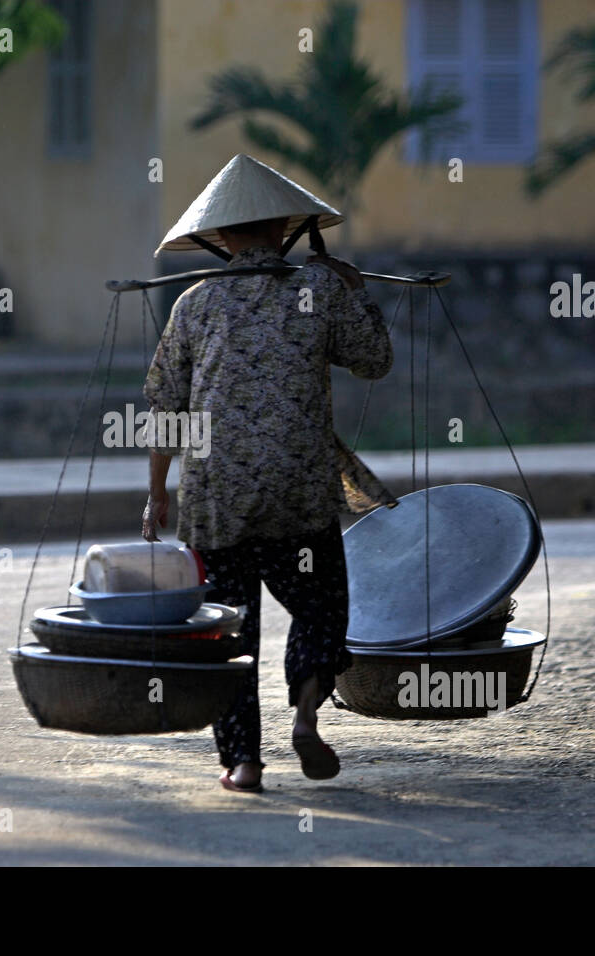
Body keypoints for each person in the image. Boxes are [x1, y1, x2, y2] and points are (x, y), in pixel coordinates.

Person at [141, 154, 395, 792]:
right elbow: (375, 362)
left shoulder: (193, 305)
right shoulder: (321, 290)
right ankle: (307, 714)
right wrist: (355, 291)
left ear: (220, 237)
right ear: (285, 228)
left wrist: (155, 497)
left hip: (215, 502)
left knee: (228, 628)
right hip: (298, 496)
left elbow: (165, 411)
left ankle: (243, 763)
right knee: (320, 607)